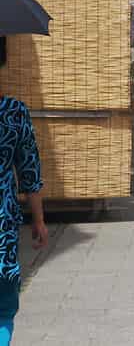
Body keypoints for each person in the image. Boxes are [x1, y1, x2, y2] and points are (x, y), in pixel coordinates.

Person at [0, 90, 45, 342]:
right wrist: (38, 220)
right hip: (2, 227)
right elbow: (30, 172)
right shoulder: (14, 111)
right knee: (3, 308)